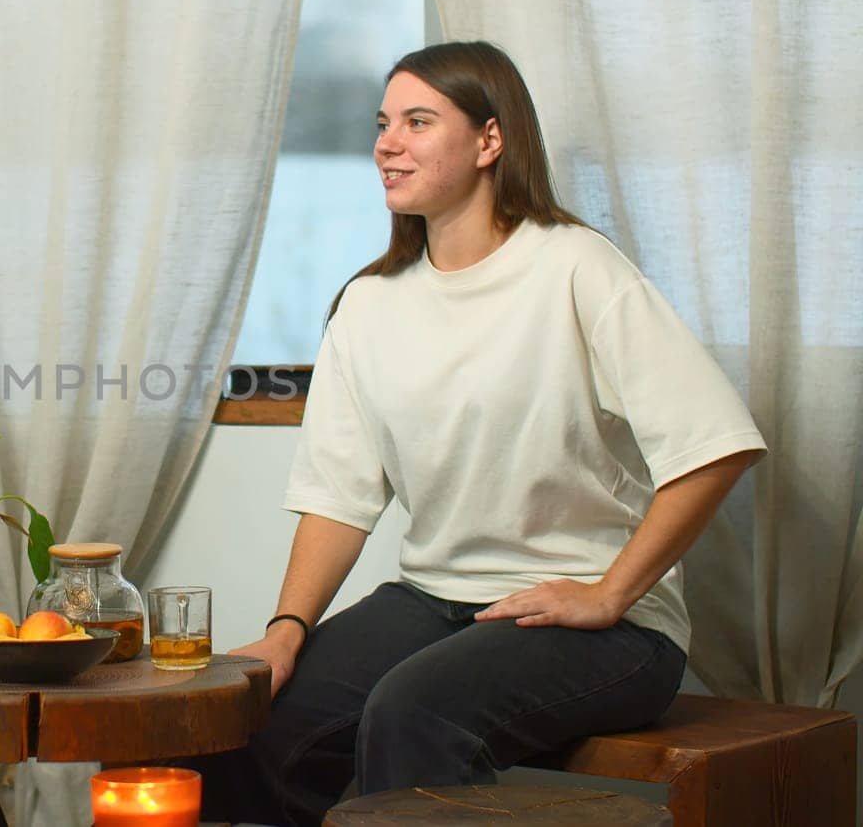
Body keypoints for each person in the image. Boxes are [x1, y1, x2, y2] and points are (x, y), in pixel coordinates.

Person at [199, 41, 766, 826]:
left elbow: (717, 443)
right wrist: (287, 632)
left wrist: (610, 594)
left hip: (605, 628)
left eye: (419, 121)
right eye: (383, 123)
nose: (387, 143)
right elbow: (339, 495)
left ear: (490, 140)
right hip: (435, 599)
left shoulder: (575, 268)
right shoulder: (368, 305)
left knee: (414, 712)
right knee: (248, 719)